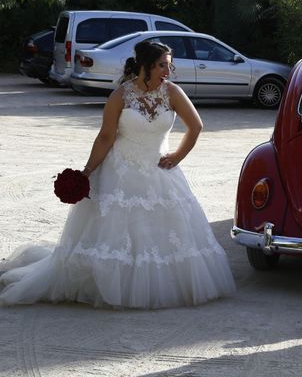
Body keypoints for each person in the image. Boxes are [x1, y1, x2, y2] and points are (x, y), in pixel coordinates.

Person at [0, 41, 236, 308]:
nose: (167, 71)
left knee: (159, 235)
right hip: (119, 173)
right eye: (162, 65)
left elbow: (196, 126)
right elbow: (105, 137)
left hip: (160, 174)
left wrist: (177, 156)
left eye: (169, 65)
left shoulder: (173, 92)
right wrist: (87, 172)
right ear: (145, 65)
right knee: (115, 234)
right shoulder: (121, 96)